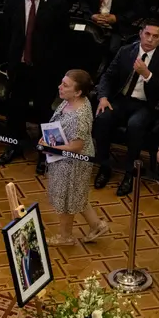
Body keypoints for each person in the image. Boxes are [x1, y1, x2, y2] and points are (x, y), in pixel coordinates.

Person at [93, 19, 159, 196]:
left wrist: (147, 75)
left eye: (155, 36)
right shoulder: (125, 51)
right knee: (102, 118)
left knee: (135, 125)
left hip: (146, 104)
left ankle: (130, 173)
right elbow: (108, 76)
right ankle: (104, 166)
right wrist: (103, 97)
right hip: (121, 100)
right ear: (140, 34)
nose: (150, 39)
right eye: (147, 34)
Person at [0, 0, 69, 172]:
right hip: (19, 66)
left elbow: (62, 39)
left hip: (45, 69)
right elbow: (7, 32)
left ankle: (47, 153)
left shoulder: (57, 0)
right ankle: (15, 145)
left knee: (44, 111)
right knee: (15, 108)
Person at [41, 70, 110, 246]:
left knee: (67, 197)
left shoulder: (79, 116)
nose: (60, 87)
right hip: (64, 156)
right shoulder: (70, 101)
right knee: (76, 194)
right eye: (61, 82)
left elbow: (76, 146)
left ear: (78, 92)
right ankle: (96, 225)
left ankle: (65, 237)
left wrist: (50, 147)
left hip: (73, 162)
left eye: (65, 85)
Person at [79, 0, 146, 54]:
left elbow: (138, 10)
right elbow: (83, 1)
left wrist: (116, 18)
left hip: (117, 26)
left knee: (113, 49)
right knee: (80, 43)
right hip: (93, 22)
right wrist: (92, 15)